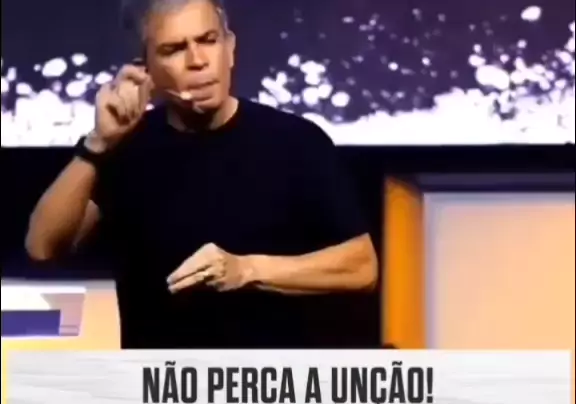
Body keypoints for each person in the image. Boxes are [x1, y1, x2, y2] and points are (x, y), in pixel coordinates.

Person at [25, 0, 377, 348]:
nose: (198, 60)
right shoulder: (126, 147)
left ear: (230, 48)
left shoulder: (296, 141)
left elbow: (361, 267)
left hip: (266, 376)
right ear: (146, 70)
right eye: (174, 49)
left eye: (208, 40)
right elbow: (42, 247)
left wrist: (248, 270)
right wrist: (98, 143)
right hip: (159, 377)